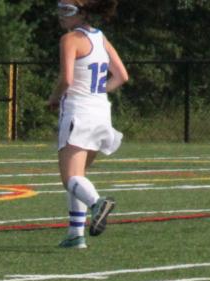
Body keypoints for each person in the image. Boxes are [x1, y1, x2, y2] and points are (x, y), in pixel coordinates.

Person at [46, 0, 128, 249]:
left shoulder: (69, 39)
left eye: (67, 11)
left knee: (69, 178)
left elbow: (67, 79)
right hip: (101, 112)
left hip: (77, 113)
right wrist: (96, 93)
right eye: (60, 9)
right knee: (79, 176)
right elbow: (121, 76)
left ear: (82, 13)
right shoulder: (100, 38)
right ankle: (75, 235)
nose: (62, 16)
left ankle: (97, 204)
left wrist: (53, 97)